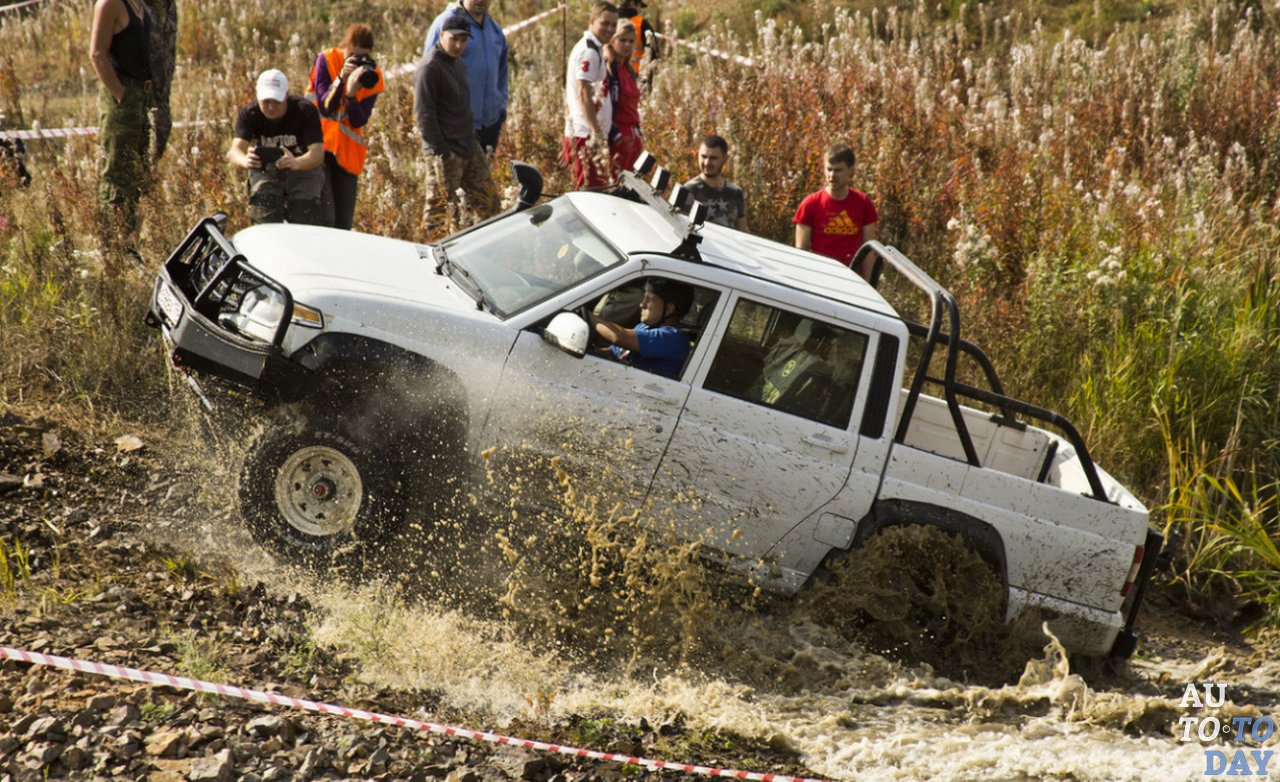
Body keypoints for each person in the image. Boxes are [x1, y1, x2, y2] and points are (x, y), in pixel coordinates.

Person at [415, 15, 498, 237]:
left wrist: (473, 141)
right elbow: (424, 115)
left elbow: (462, 108)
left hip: (469, 146)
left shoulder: (459, 65)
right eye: (454, 39)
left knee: (488, 203)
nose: (459, 45)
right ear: (442, 36)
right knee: (438, 214)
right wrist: (441, 151)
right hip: (443, 153)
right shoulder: (429, 67)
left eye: (464, 40)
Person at [308, 24, 386, 230]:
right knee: (326, 218)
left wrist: (351, 95)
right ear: (345, 47)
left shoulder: (372, 75)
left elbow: (360, 120)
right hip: (319, 149)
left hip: (348, 154)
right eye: (353, 55)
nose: (358, 62)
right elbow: (326, 107)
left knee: (343, 224)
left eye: (362, 57)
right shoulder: (327, 59)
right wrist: (342, 78)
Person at [228, 69, 326, 225]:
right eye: (266, 101)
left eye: (276, 101)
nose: (271, 107)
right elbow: (234, 151)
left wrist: (296, 163)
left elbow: (317, 154)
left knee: (304, 217)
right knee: (264, 217)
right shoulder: (249, 113)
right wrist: (245, 160)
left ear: (286, 95)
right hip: (266, 170)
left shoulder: (304, 110)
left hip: (303, 168)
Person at [89, 0, 152, 239]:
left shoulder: (139, 4)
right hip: (123, 96)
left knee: (138, 171)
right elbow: (96, 54)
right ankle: (112, 245)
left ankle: (129, 242)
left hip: (143, 96)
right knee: (117, 172)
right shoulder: (109, 4)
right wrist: (121, 94)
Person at [422, 0, 509, 156]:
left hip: (489, 126)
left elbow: (502, 72)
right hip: (455, 130)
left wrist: (500, 107)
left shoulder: (495, 30)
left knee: (482, 179)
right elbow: (427, 76)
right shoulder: (446, 23)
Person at [793, 143, 879, 279]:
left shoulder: (863, 203)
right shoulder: (810, 204)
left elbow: (868, 250)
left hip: (851, 277)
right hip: (819, 276)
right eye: (829, 169)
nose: (832, 175)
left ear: (851, 171)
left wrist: (870, 285)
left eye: (838, 170)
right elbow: (801, 251)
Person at [562, 2, 618, 190]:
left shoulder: (595, 48)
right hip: (586, 135)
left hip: (586, 134)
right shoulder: (589, 52)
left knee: (593, 191)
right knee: (586, 193)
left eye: (613, 25)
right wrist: (596, 131)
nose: (609, 29)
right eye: (604, 23)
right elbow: (582, 91)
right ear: (592, 21)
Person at [590, 278, 694, 378]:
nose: (641, 304)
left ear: (668, 309)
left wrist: (588, 316)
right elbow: (613, 353)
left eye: (649, 299)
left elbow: (618, 336)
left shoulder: (674, 339)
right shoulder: (644, 327)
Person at [683, 135, 747, 231]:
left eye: (713, 158)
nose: (707, 163)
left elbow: (742, 232)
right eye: (703, 157)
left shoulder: (736, 192)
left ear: (725, 159)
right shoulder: (688, 190)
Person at [605, 23, 643, 175]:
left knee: (631, 184)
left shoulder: (629, 69)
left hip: (633, 133)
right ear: (612, 40)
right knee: (614, 181)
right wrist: (615, 134)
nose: (627, 45)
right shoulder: (609, 67)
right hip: (618, 133)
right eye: (622, 40)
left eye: (631, 41)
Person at [147, 0, 177, 164]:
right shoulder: (135, 4)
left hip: (163, 90)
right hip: (137, 88)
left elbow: (169, 46)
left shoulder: (169, 5)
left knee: (163, 127)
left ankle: (150, 175)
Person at [619, 2, 658, 83]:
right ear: (633, 3)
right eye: (639, 6)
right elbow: (653, 51)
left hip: (611, 72)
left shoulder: (610, 20)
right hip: (636, 74)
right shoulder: (641, 23)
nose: (640, 10)